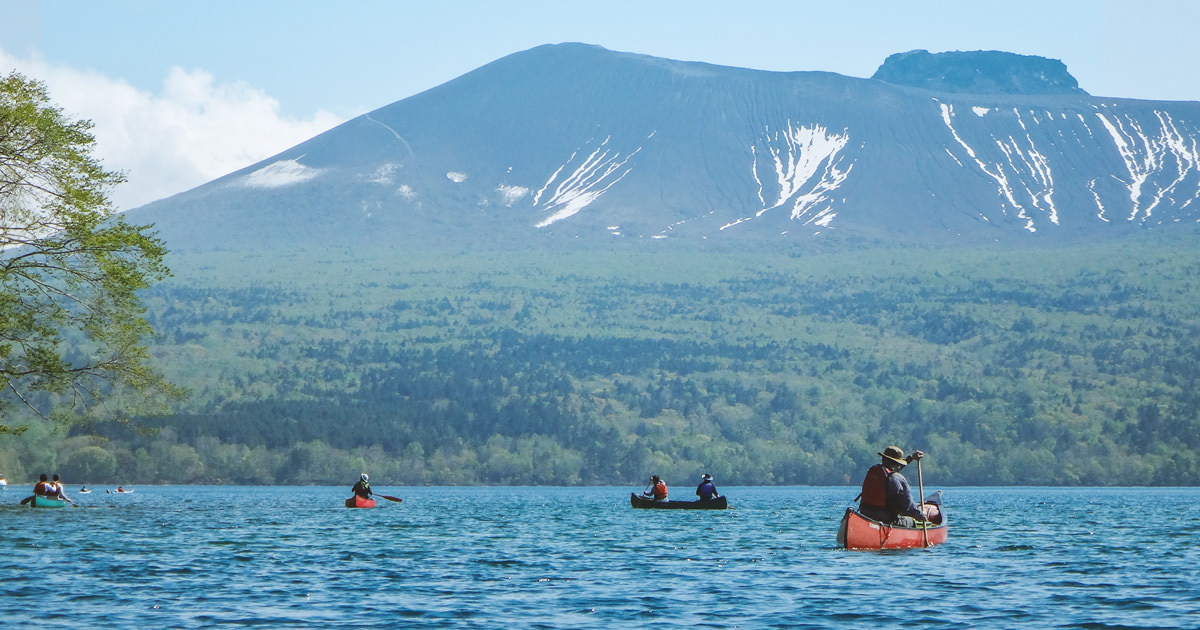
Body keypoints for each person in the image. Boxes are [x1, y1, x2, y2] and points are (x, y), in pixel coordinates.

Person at [857, 445, 928, 526]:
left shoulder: (874, 470)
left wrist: (911, 458)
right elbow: (908, 507)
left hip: (865, 513)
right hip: (885, 518)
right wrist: (920, 515)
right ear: (897, 463)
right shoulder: (897, 478)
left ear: (883, 459)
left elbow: (893, 470)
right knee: (911, 522)